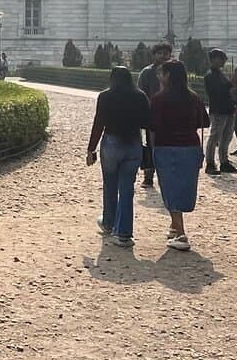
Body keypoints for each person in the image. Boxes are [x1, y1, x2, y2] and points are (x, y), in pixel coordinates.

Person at [86, 66, 151, 247]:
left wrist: (91, 149)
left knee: (110, 185)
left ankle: (109, 222)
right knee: (127, 189)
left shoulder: (105, 96)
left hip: (112, 142)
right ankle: (124, 233)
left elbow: (98, 123)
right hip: (133, 143)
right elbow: (148, 122)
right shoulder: (140, 96)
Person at [150, 60, 209, 251]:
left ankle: (182, 234)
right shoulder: (194, 97)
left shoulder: (160, 99)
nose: (160, 77)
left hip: (167, 146)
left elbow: (152, 123)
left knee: (169, 187)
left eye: (162, 74)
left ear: (168, 76)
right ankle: (175, 227)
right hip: (190, 147)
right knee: (184, 186)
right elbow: (205, 122)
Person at [136, 42, 172, 188]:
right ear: (154, 54)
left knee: (169, 146)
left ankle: (167, 175)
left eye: (166, 53)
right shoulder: (147, 72)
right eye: (160, 53)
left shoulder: (174, 72)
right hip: (152, 116)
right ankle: (149, 175)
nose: (163, 56)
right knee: (151, 146)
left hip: (170, 116)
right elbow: (140, 94)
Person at [203, 49, 237, 175]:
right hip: (218, 110)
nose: (223, 61)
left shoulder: (220, 74)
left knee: (226, 138)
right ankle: (210, 163)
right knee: (214, 137)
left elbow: (230, 88)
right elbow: (220, 91)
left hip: (228, 109)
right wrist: (234, 77)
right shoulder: (210, 75)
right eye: (221, 58)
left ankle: (224, 162)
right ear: (213, 59)